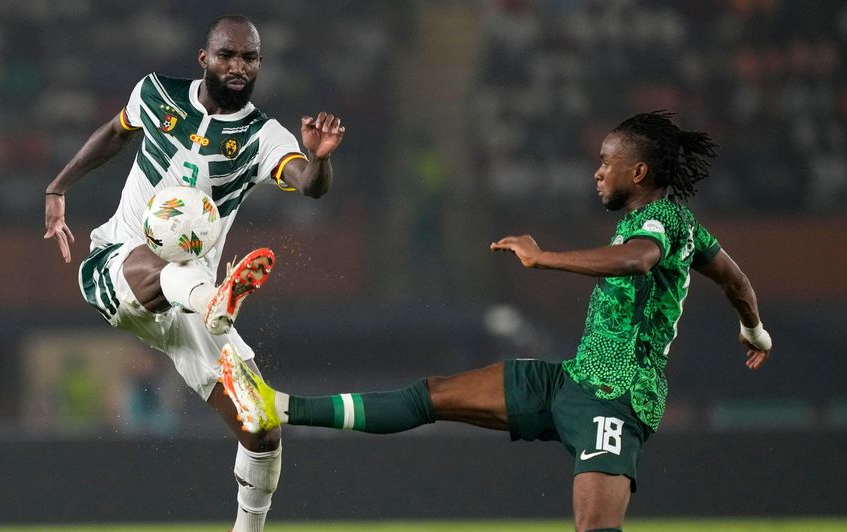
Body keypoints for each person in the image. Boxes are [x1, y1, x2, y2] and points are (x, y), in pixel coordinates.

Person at [217, 111, 772, 532]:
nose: (598, 172)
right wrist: (754, 330)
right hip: (572, 381)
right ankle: (277, 405)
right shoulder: (687, 230)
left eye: (607, 162)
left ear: (640, 170)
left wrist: (542, 257)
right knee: (431, 395)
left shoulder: (660, 221)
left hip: (617, 401)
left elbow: (637, 260)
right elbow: (736, 282)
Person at [43, 15, 346, 532]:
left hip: (193, 307)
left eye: (249, 58)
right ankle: (213, 299)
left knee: (261, 427)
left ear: (259, 65)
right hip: (119, 267)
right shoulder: (156, 93)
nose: (238, 66)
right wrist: (57, 188)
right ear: (204, 59)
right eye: (227, 55)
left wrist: (318, 161)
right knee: (161, 263)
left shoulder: (261, 134)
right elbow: (115, 134)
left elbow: (309, 184)